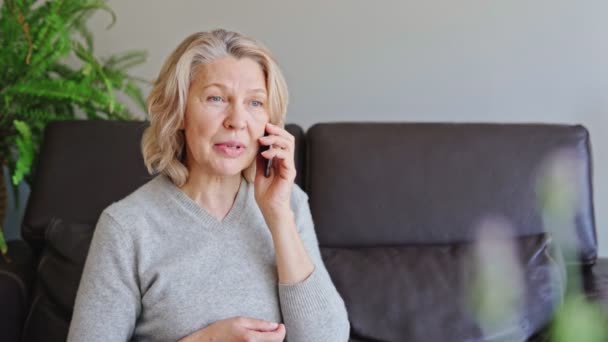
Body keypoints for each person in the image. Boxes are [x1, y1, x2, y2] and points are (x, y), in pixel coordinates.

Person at [67, 29, 350, 342]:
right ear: (180, 112)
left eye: (255, 102)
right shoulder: (126, 226)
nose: (237, 120)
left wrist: (278, 215)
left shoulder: (289, 203)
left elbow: (328, 337)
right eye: (216, 98)